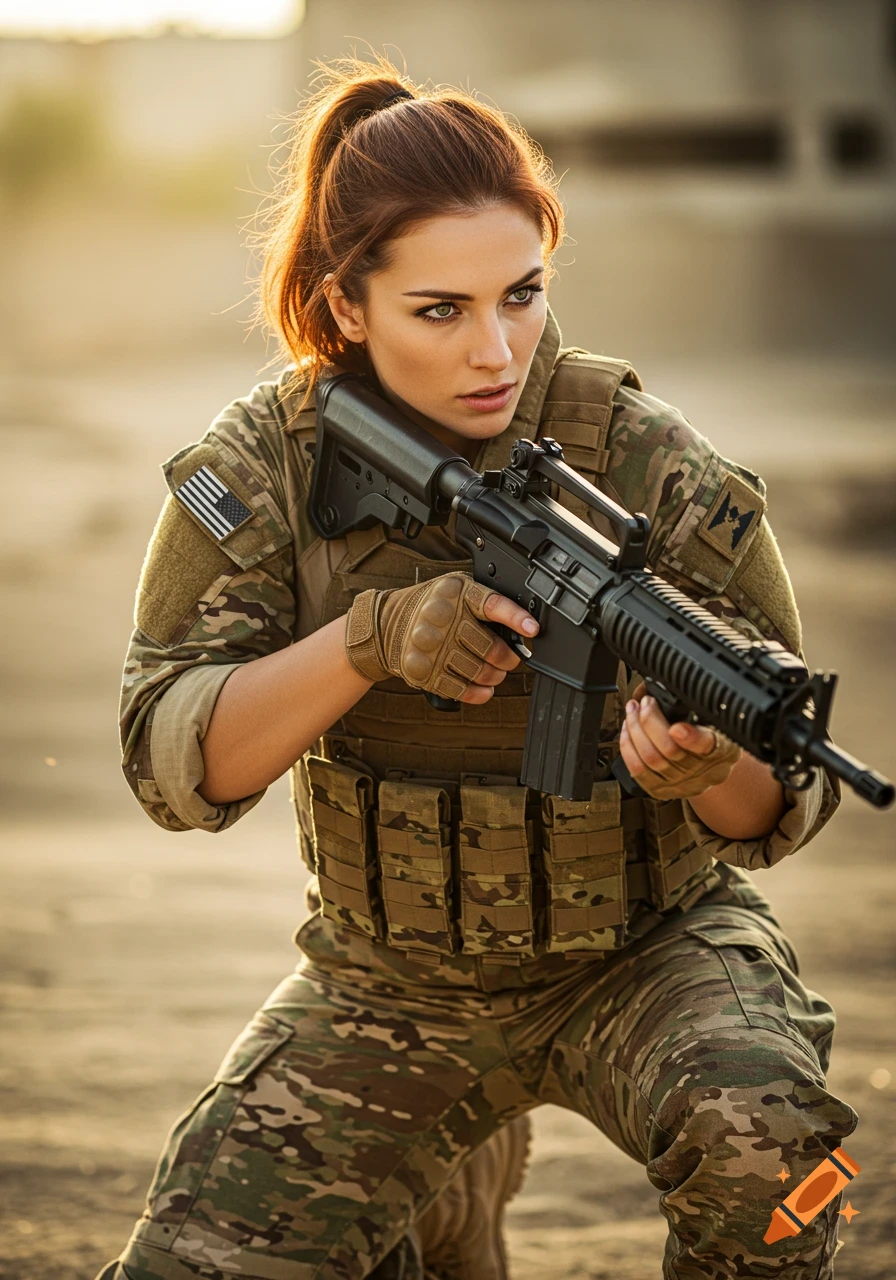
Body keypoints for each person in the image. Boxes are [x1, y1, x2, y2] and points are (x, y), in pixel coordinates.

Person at [101, 56, 858, 1280]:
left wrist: (706, 765)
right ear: (347, 306)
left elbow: (780, 800)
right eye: (439, 310)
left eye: (522, 294)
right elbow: (167, 763)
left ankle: (450, 1175)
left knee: (774, 1166)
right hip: (389, 979)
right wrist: (366, 641)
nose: (494, 350)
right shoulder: (268, 463)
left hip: (643, 951)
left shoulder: (648, 461)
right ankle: (442, 1189)